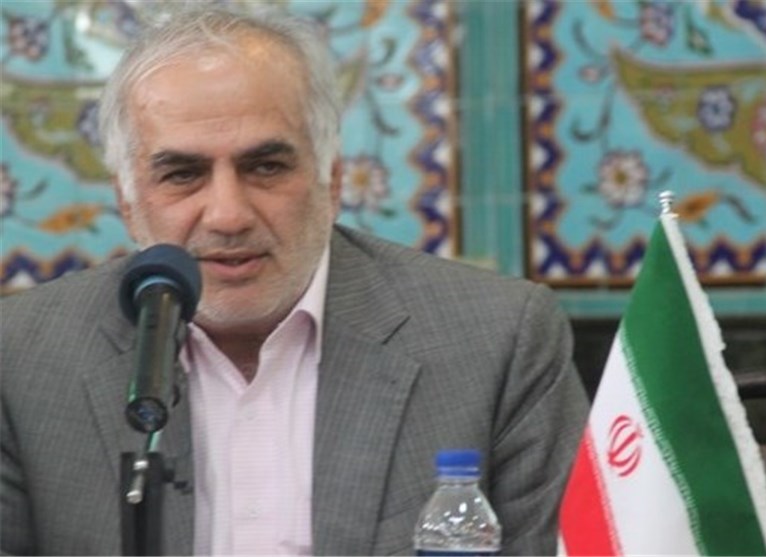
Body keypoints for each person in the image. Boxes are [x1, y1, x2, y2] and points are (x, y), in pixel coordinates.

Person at [0, 5, 588, 555]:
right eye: (183, 174)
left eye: (266, 167)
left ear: (332, 182)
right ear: (128, 202)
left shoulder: (496, 341)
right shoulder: (21, 358)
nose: (228, 215)